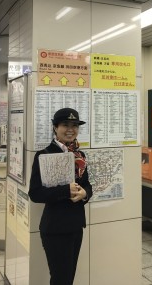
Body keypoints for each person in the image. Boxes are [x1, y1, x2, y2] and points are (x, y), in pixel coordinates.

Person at [28, 108, 93, 285]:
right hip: (55, 227)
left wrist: (84, 193)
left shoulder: (80, 156)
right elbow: (35, 193)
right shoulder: (44, 155)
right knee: (60, 279)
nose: (71, 129)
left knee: (69, 277)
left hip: (76, 225)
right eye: (65, 125)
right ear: (55, 127)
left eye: (75, 125)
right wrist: (66, 191)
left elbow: (87, 184)